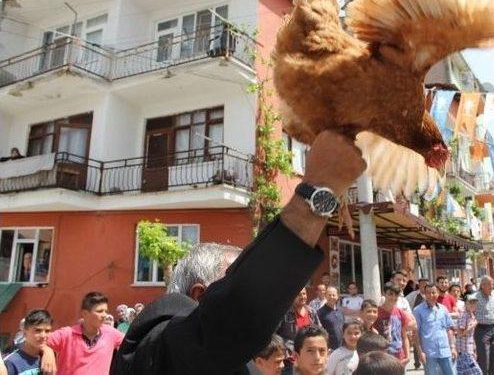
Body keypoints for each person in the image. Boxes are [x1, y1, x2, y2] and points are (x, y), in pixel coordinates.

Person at [112, 131, 366, 374]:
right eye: (237, 277)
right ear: (200, 295)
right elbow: (237, 310)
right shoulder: (155, 349)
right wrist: (321, 187)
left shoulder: (233, 359)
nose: (270, 301)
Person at [46, 291, 124, 374]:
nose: (104, 315)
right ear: (85, 314)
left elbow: (133, 342)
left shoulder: (111, 334)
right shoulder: (67, 334)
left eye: (106, 311)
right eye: (100, 311)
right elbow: (37, 340)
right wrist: (47, 350)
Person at [413, 283, 457, 375]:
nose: (431, 295)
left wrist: (452, 347)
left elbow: (449, 329)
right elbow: (416, 333)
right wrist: (420, 352)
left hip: (445, 351)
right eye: (428, 293)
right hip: (429, 353)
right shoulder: (418, 311)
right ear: (424, 294)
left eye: (433, 292)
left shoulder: (443, 309)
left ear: (438, 293)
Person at [3, 309, 52, 375]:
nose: (43, 335)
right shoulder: (10, 362)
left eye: (47, 331)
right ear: (25, 332)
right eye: (38, 330)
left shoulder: (50, 358)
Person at [373, 282, 410, 364]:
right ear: (384, 294)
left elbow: (404, 336)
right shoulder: (376, 313)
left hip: (399, 357)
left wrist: (407, 356)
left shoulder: (401, 313)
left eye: (396, 295)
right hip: (382, 356)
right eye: (390, 294)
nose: (393, 297)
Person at [474, 276, 494, 375]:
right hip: (482, 329)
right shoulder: (475, 297)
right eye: (490, 284)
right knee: (484, 358)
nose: (492, 287)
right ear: (483, 285)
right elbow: (470, 313)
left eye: (492, 284)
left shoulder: (493, 296)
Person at [456, 294, 483, 375]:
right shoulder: (464, 315)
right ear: (466, 303)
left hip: (468, 349)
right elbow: (461, 333)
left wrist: (474, 348)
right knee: (477, 373)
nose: (473, 305)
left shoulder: (471, 315)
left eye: (474, 302)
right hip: (464, 351)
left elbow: (471, 335)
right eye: (470, 302)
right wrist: (473, 325)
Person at [318, 286, 345, 351]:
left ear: (337, 296)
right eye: (329, 295)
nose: (331, 297)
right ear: (325, 296)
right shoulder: (320, 312)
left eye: (333, 295)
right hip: (329, 349)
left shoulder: (340, 311)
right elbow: (319, 331)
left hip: (342, 347)